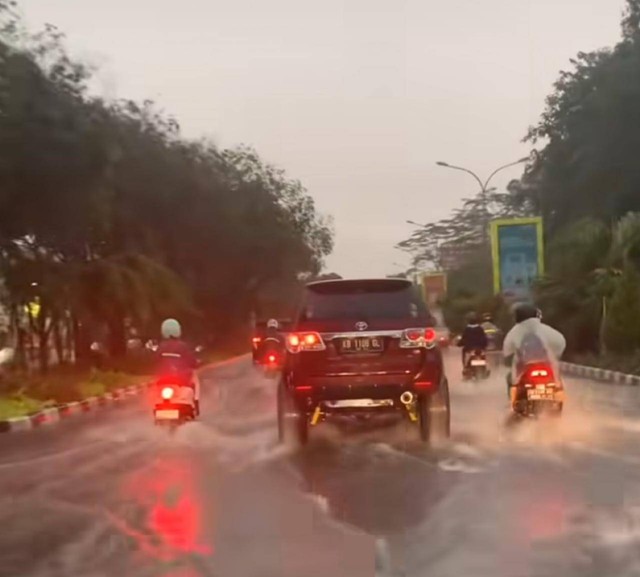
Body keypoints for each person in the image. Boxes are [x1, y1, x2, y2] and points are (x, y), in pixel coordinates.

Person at [502, 303, 566, 409]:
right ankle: (558, 402)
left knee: (512, 380)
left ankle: (513, 404)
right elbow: (560, 342)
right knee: (557, 382)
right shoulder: (545, 329)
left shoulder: (515, 331)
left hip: (525, 367)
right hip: (547, 364)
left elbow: (507, 349)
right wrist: (556, 354)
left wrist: (508, 357)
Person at [157, 318, 201, 416]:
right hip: (182, 380)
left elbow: (154, 362)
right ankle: (196, 405)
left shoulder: (160, 347)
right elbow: (192, 362)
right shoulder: (183, 346)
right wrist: (196, 363)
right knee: (195, 378)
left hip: (163, 381)